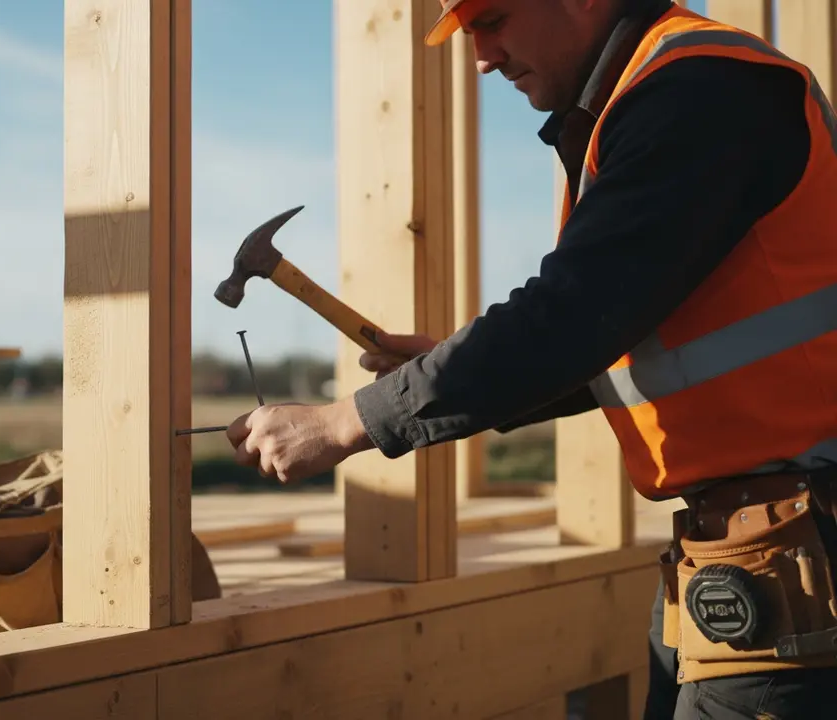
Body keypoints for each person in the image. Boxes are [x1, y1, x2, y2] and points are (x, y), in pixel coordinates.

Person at [224, 0, 837, 717]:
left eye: (494, 19)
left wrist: (342, 423)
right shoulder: (650, 100)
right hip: (750, 552)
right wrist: (446, 363)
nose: (482, 57)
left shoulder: (698, 87)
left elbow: (572, 316)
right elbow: (617, 332)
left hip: (795, 556)